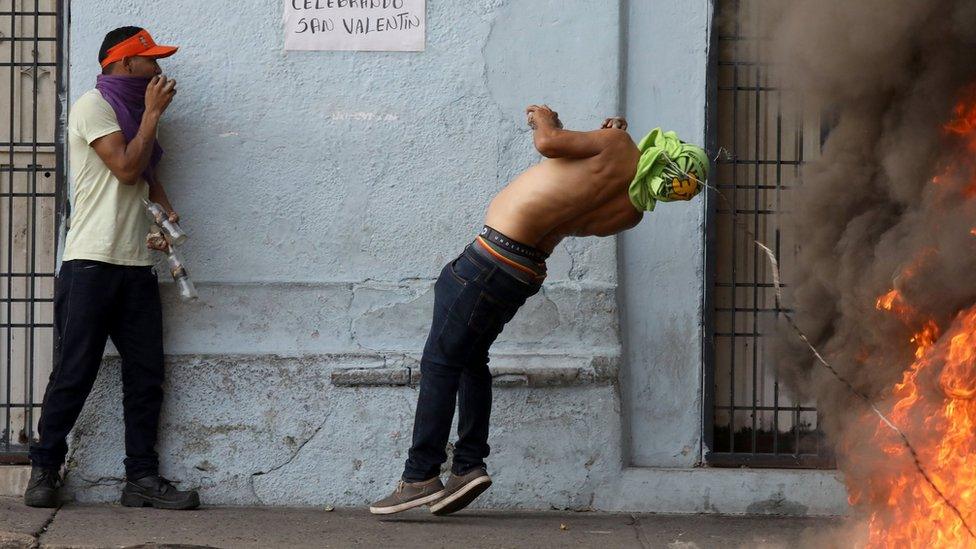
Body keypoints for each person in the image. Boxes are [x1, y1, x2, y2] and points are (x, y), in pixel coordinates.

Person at [370, 105, 709, 515]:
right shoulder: (631, 213)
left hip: (487, 261)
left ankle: (420, 475)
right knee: (470, 359)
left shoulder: (617, 144)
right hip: (523, 273)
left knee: (440, 362)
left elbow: (548, 144)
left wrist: (547, 117)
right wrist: (604, 142)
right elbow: (572, 214)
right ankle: (468, 466)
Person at [24, 26, 199, 510]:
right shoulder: (93, 107)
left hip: (135, 263)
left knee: (146, 376)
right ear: (124, 65)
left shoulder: (132, 114)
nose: (161, 70)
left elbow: (144, 174)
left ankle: (141, 479)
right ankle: (44, 470)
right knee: (74, 371)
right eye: (152, 61)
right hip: (91, 264)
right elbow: (124, 165)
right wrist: (153, 116)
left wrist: (164, 212)